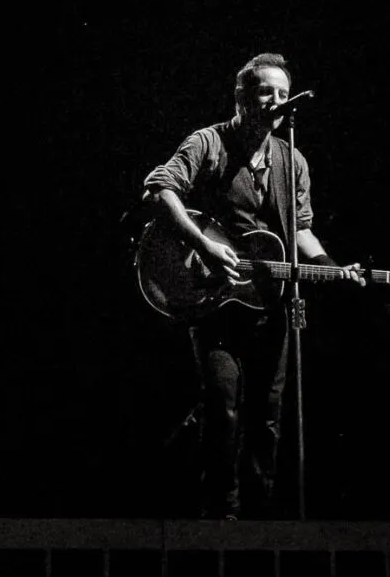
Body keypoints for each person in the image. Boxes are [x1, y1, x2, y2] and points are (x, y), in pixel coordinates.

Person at [141, 52, 363, 520]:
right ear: (242, 96)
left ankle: (261, 523)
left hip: (272, 306)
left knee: (268, 417)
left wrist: (329, 265)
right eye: (267, 91)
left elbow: (300, 227)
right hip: (215, 303)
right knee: (223, 409)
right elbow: (160, 189)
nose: (277, 102)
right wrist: (202, 244)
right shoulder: (210, 143)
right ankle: (221, 515)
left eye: (284, 94)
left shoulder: (292, 160)